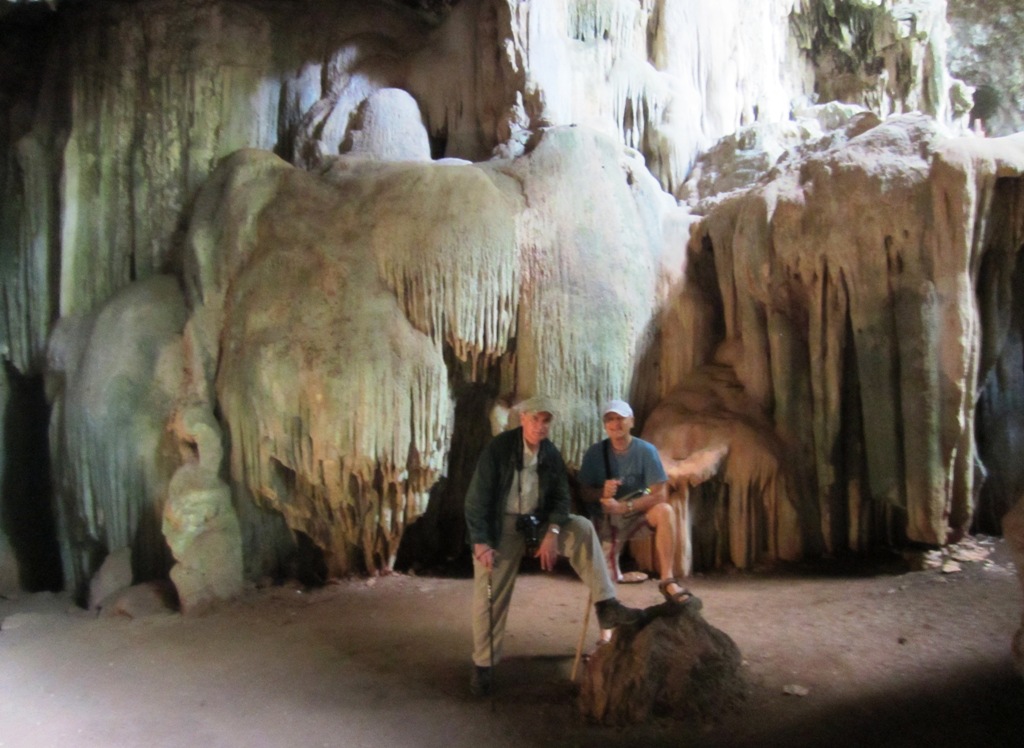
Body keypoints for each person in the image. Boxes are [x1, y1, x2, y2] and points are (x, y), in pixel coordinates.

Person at [464, 395, 643, 697]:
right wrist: (481, 541)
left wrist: (554, 531)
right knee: (490, 589)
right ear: (522, 419)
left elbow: (561, 498)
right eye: (535, 418)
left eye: (546, 420)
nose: (540, 425)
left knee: (583, 528)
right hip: (503, 524)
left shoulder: (550, 454)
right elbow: (476, 499)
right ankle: (484, 665)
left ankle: (607, 605)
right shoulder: (499, 449)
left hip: (541, 522)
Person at [578, 400, 696, 614]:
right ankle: (607, 633)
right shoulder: (595, 454)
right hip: (607, 521)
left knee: (666, 511)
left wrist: (626, 506)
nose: (615, 424)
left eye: (620, 418)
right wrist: (601, 494)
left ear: (631, 421)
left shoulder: (646, 451)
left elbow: (659, 493)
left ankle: (667, 579)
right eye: (610, 419)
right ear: (605, 425)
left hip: (636, 513)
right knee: (606, 576)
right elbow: (583, 491)